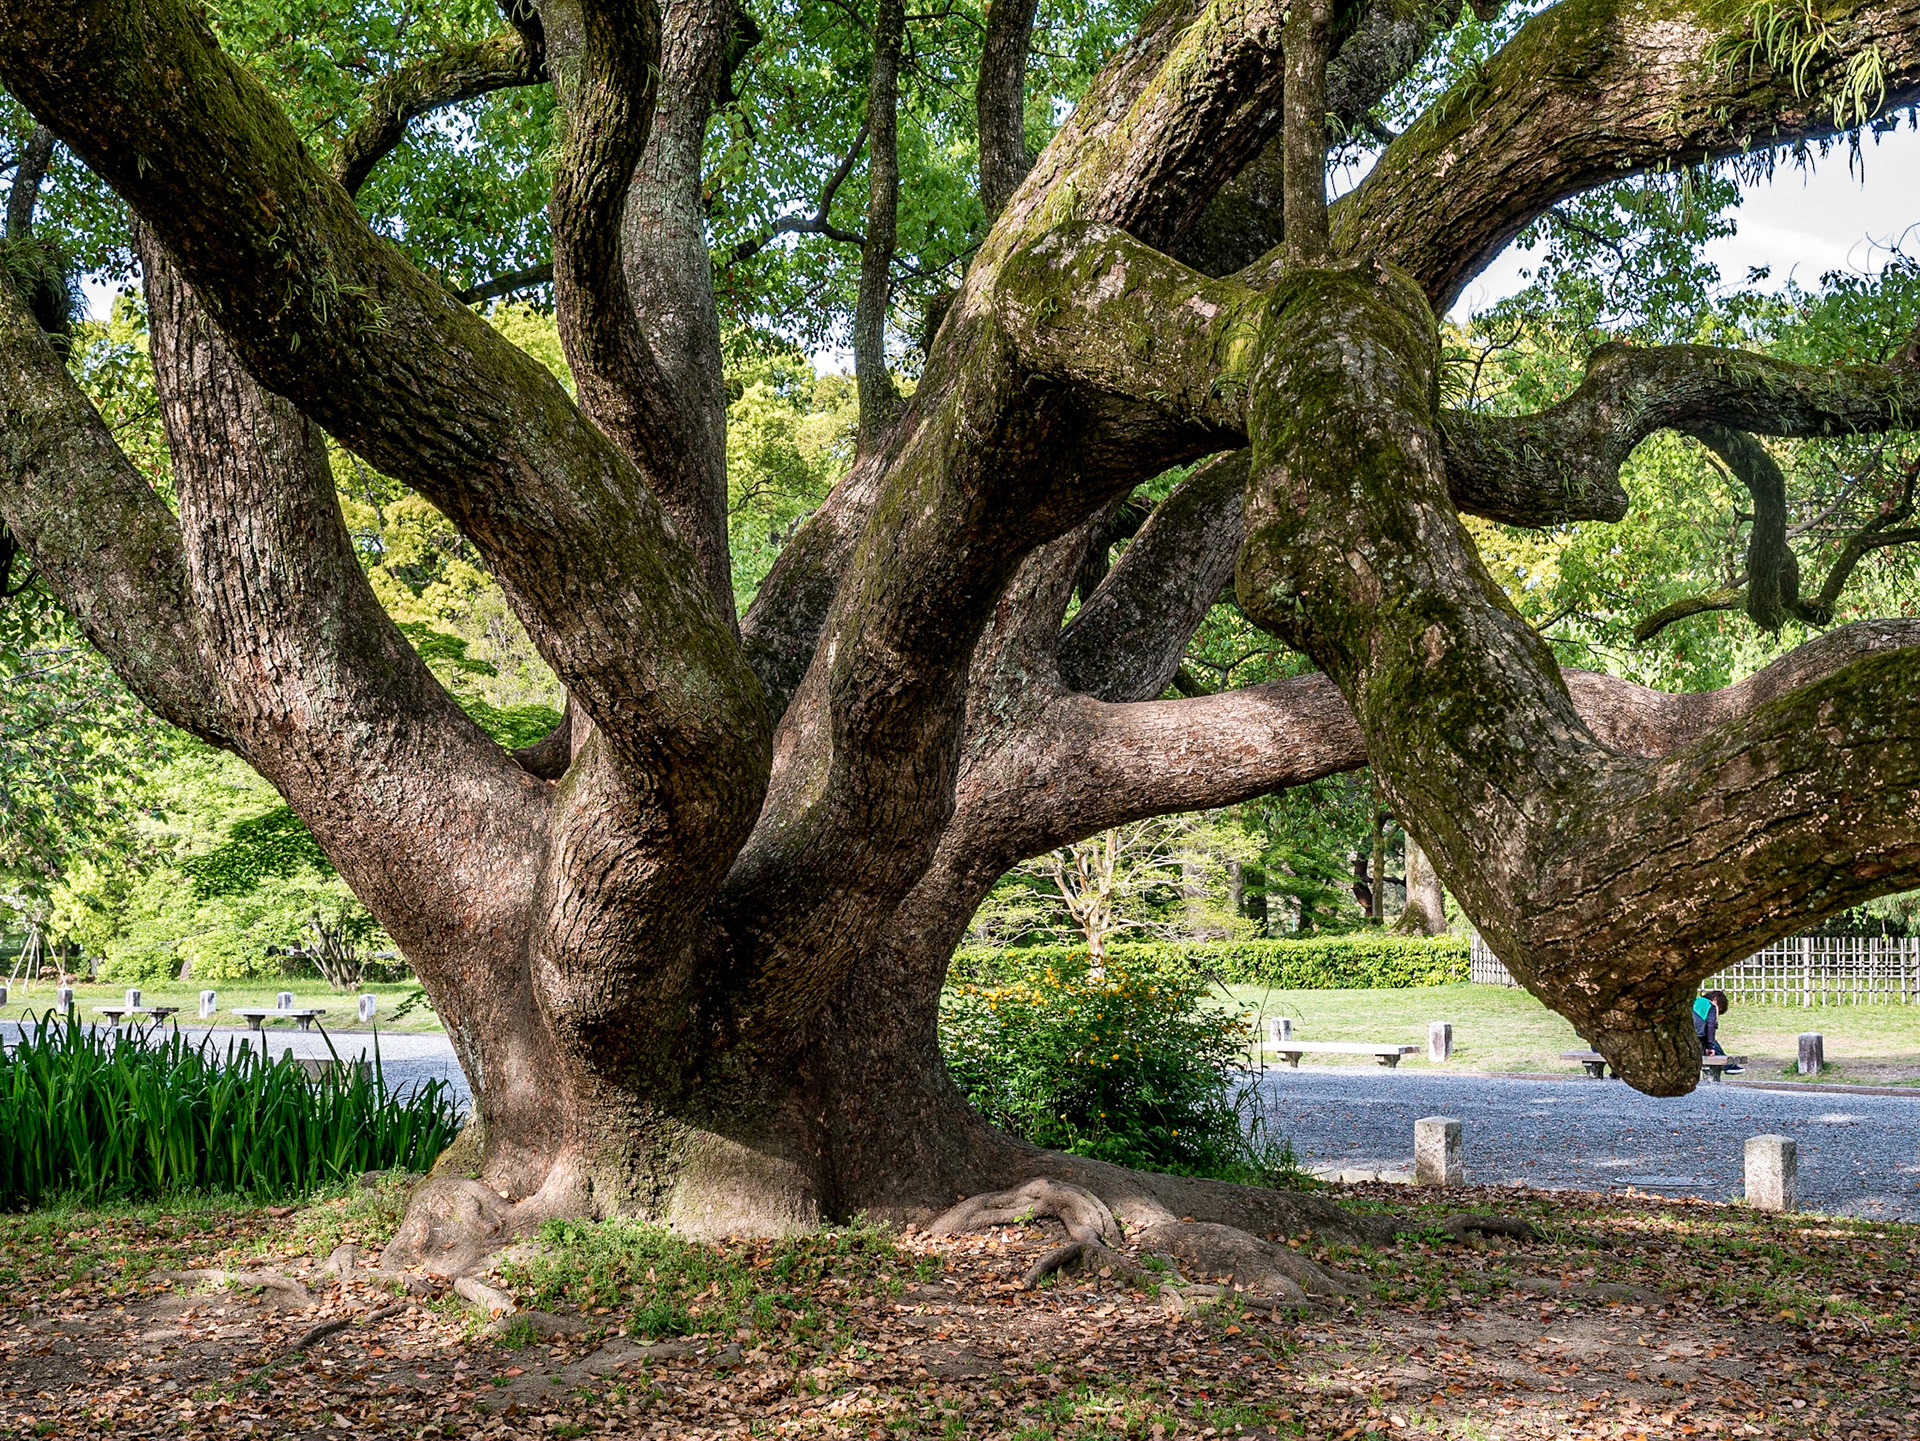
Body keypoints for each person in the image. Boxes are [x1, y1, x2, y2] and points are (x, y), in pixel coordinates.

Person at [1694, 989, 1742, 1074]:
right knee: (1710, 1042)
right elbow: (1711, 1025)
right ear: (1715, 999)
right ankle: (1728, 1065)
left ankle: (1728, 1065)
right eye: (1719, 1010)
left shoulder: (1694, 1000)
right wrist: (1710, 1046)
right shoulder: (1711, 1005)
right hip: (1696, 1034)